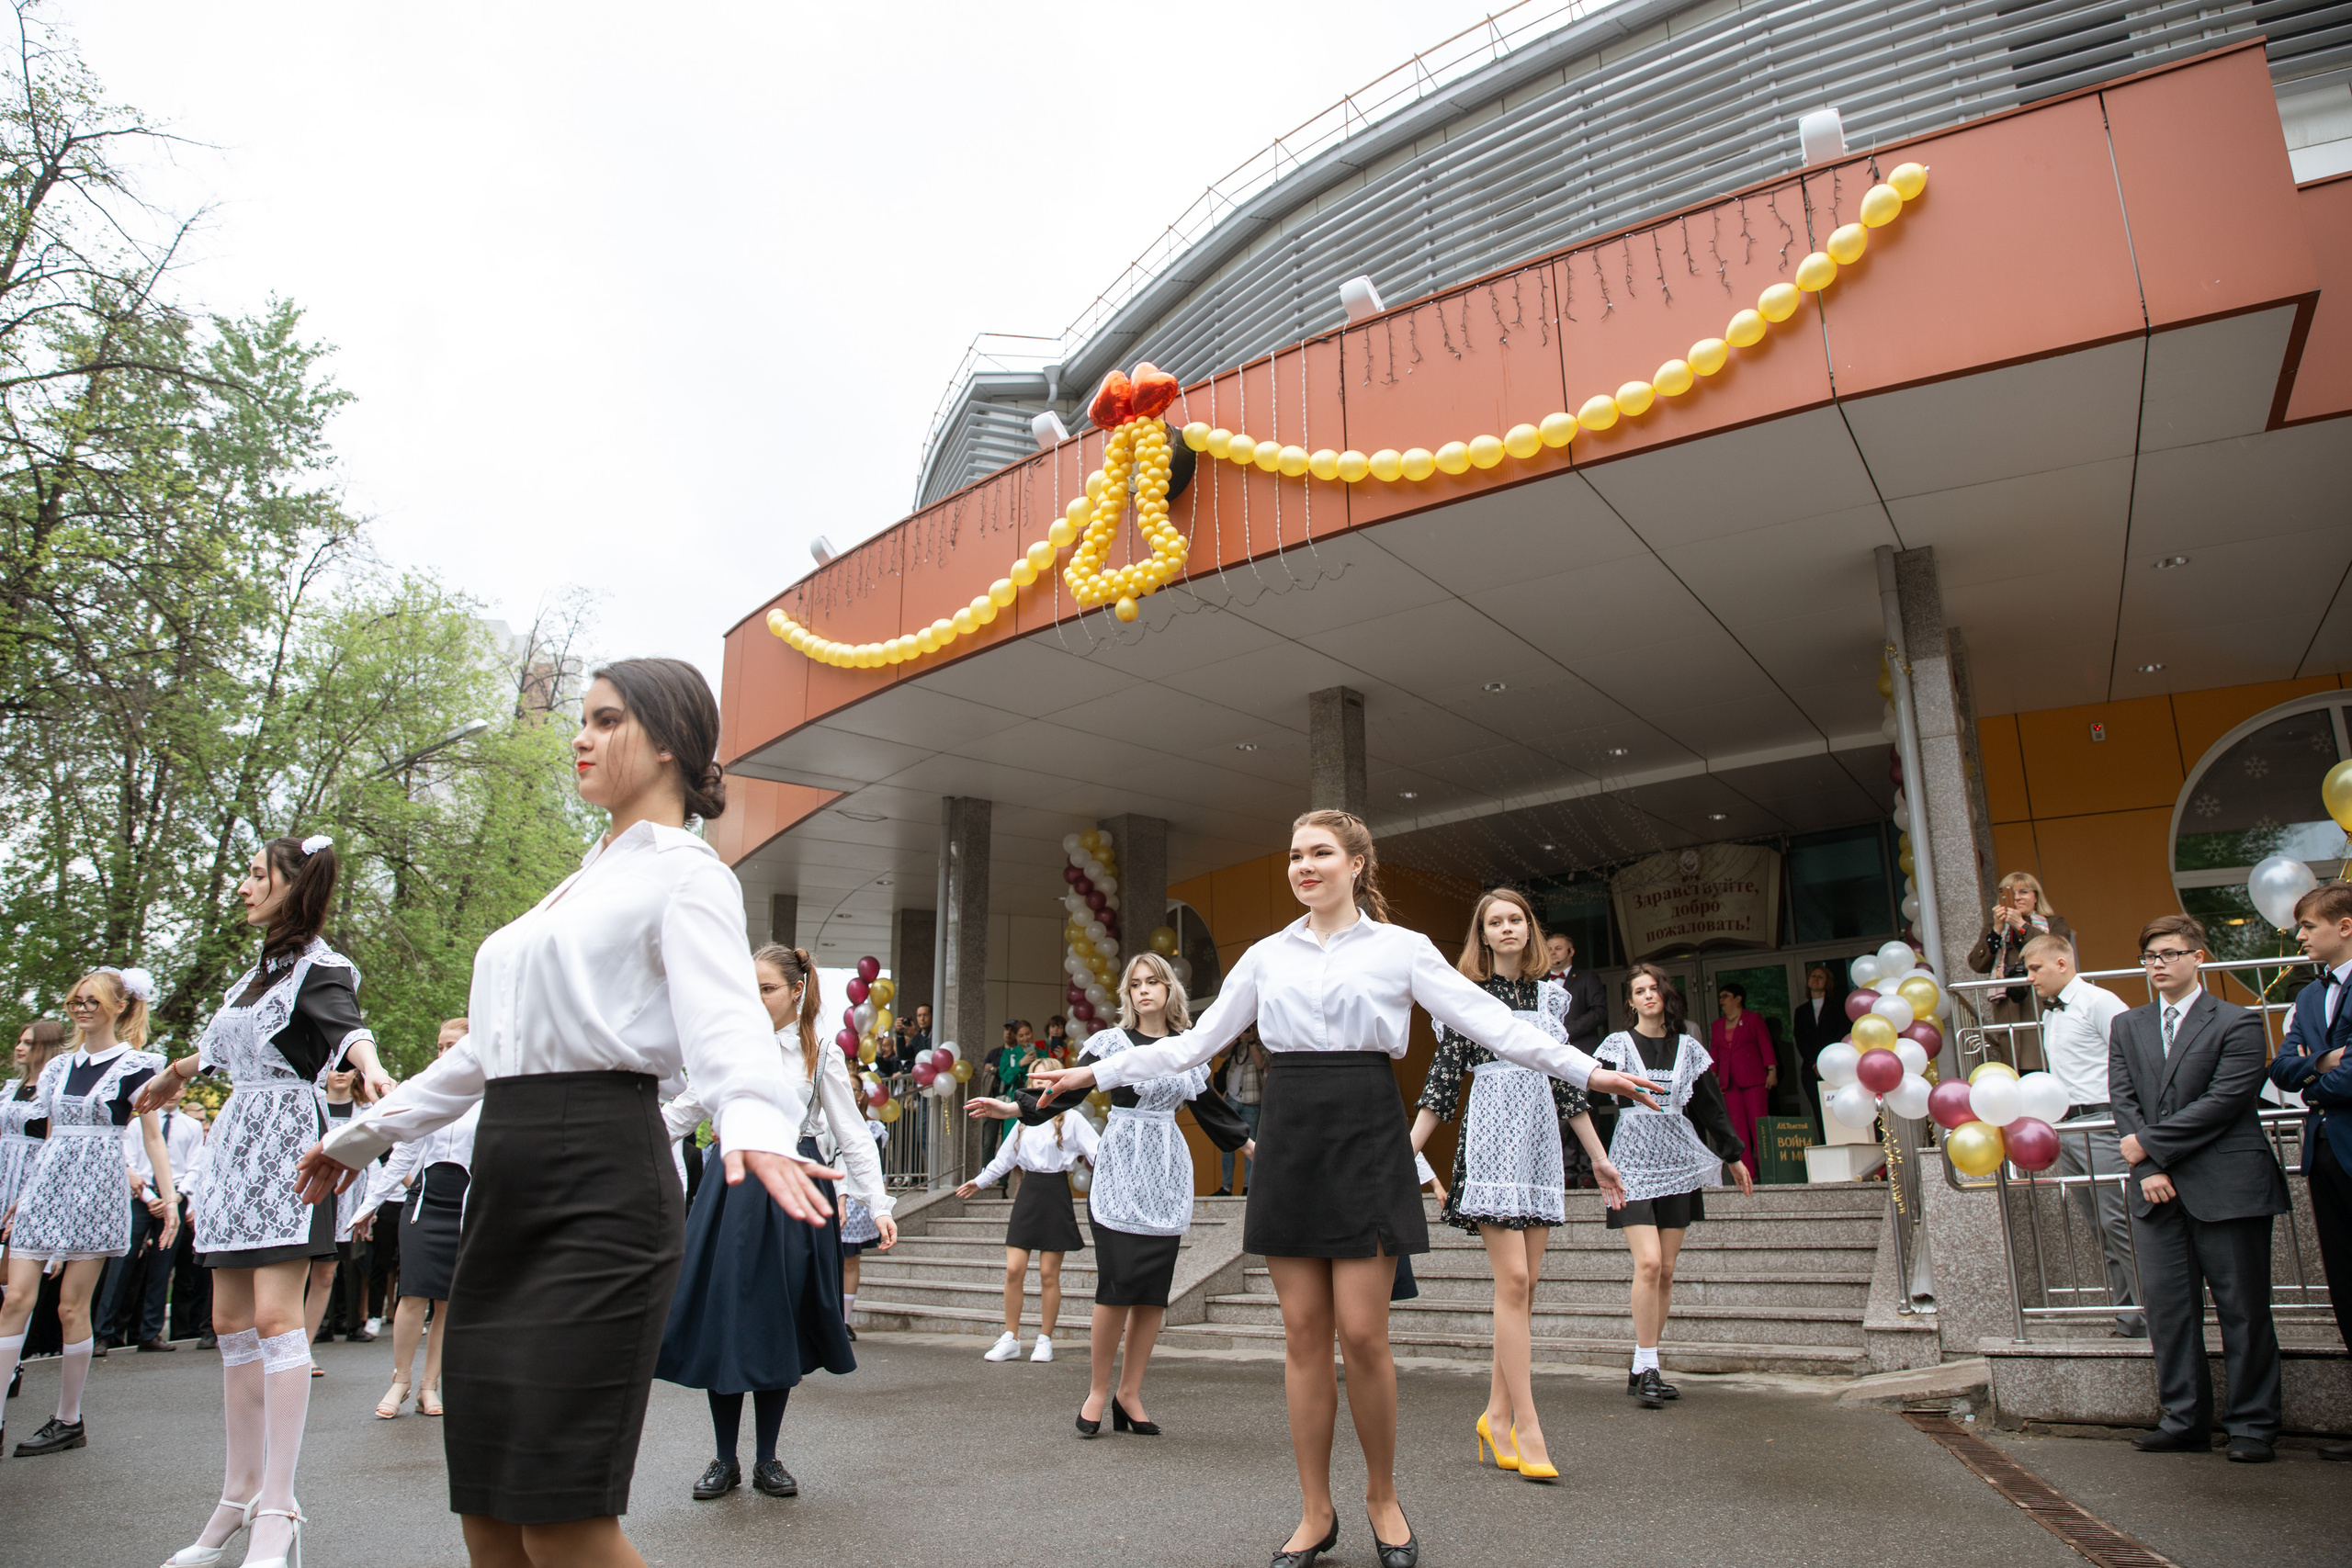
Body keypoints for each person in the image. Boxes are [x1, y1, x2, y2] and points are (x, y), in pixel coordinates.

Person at [301, 658, 833, 1568]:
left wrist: (754, 1127)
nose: (580, 738)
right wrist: (360, 1137)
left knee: (557, 1509)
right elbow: (483, 1051)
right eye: (580, 720)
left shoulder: (686, 875)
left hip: (600, 1182)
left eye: (605, 720)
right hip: (503, 1186)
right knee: (488, 1504)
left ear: (667, 742)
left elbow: (729, 1030)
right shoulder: (576, 883)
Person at [1031, 811, 1662, 1567]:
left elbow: (1493, 1024)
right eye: (1295, 853)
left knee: (1364, 1335)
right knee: (1302, 1336)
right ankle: (1314, 1511)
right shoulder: (1266, 956)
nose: (1303, 865)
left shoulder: (1403, 949)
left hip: (1367, 1127)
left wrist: (1587, 1071)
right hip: (1293, 1132)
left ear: (1357, 863)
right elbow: (1194, 1044)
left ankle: (1383, 1499)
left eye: (1320, 852)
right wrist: (1093, 1073)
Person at [134, 835, 392, 1568]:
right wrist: (175, 1074)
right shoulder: (255, 973)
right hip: (233, 1154)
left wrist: (369, 1069)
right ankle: (237, 1494)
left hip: (287, 1150)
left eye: (257, 875)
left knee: (280, 1319)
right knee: (228, 1320)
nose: (245, 887)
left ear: (293, 884)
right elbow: (223, 1048)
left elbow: (349, 1029)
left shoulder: (321, 966)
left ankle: (278, 1507)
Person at [658, 944, 897, 1502]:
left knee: (776, 1320)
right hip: (733, 1191)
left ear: (796, 991)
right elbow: (682, 1112)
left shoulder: (821, 1056)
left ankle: (767, 1458)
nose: (755, 997)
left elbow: (853, 1135)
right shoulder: (727, 1048)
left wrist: (879, 1205)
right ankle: (724, 1457)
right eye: (750, 987)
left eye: (766, 987)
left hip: (796, 1193)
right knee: (727, 1320)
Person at [986, 951, 1251, 1432]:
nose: (1144, 990)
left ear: (1170, 989)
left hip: (1167, 1171)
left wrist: (1254, 1149)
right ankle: (1097, 1391)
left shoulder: (1186, 1048)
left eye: (1153, 981)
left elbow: (1212, 1110)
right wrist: (1011, 1108)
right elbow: (1064, 1093)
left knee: (1152, 1293)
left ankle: (1129, 1396)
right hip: (1120, 1167)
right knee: (1116, 1286)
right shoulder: (1110, 1042)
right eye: (1135, 984)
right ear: (1128, 994)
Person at [1408, 888, 1622, 1483]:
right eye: (1494, 921)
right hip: (1492, 1136)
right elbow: (1444, 1077)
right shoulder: (1468, 997)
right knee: (1515, 1281)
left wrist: (1600, 1158)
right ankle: (1528, 1425)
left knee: (1525, 1292)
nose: (1506, 929)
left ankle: (1495, 1414)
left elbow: (1568, 1081)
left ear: (1529, 929)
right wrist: (1408, 1153)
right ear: (1481, 934)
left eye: (1515, 920)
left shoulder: (1550, 997)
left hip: (1540, 1142)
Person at [2109, 913, 2291, 1463]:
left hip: (2228, 1184)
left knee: (2244, 1308)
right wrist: (2148, 1168)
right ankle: (2184, 1419)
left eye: (2169, 954)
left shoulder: (2237, 1021)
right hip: (2156, 1187)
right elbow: (2124, 1102)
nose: (2158, 964)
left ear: (2198, 958)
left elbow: (2225, 1100)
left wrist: (2151, 1147)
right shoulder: (2129, 1025)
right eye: (2149, 956)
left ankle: (2253, 1425)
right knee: (2168, 1309)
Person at [0, 967, 177, 1460]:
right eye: (75, 1001)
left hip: (97, 1189)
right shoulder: (56, 1068)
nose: (80, 1009)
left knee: (71, 1308)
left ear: (119, 1006)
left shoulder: (141, 1065)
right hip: (47, 1185)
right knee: (15, 1298)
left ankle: (68, 1418)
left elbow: (152, 1137)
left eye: (91, 1001)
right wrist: (27, 1191)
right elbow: (53, 1133)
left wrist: (171, 1202)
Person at [1594, 964, 1751, 1410]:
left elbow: (1710, 1108)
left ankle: (1645, 1365)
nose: (1647, 996)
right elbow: (1579, 1095)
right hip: (1632, 1164)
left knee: (1665, 1269)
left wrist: (1733, 1155)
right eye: (1638, 991)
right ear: (1630, 1001)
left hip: (1680, 1164)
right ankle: (1648, 1365)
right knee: (1647, 1264)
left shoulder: (1689, 1049)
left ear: (1665, 995)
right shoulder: (1616, 1047)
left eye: (1653, 989)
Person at [2018, 933, 2142, 1337]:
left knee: (2119, 1222)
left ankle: (2158, 1314)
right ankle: (2129, 1318)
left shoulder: (2098, 1001)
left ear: (2061, 964)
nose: (2030, 978)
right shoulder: (2050, 1012)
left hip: (2103, 1124)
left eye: (2035, 969)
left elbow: (2134, 1057)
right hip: (2068, 1127)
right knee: (2098, 1226)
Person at [351, 1017, 474, 1419]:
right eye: (440, 1046)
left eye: (453, 1045)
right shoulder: (427, 1090)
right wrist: (370, 1203)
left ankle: (429, 1386)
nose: (443, 1054)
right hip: (426, 1201)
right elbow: (403, 1152)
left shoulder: (491, 1094)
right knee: (413, 1293)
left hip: (469, 1204)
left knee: (448, 1302)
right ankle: (400, 1380)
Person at [2269, 884, 2352, 1462]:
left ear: (2344, 926)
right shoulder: (2306, 996)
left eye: (2307, 926)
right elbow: (2280, 1068)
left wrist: (2314, 1079)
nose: (2299, 936)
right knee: (2346, 1287)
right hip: (2322, 1151)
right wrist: (2322, 1063)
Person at [955, 1100, 1097, 1363]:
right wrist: (980, 1181)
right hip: (1028, 1192)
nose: (1039, 1089)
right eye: (1035, 1080)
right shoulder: (1023, 1120)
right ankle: (1010, 1338)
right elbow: (1004, 1158)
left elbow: (1099, 1152)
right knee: (1014, 1269)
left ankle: (1045, 1340)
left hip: (1056, 1193)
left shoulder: (1072, 1118)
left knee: (1048, 1274)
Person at [98, 1089, 205, 1352]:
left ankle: (150, 1333)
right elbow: (129, 1162)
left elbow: (195, 1166)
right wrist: (149, 1198)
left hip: (175, 1199)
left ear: (183, 1090)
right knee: (121, 1264)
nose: (172, 1093)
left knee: (162, 1268)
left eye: (177, 1088)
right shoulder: (139, 1122)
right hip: (141, 1199)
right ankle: (102, 1334)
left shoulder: (191, 1127)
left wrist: (177, 1197)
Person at [1970, 872, 2073, 1071]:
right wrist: (1998, 930)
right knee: (2016, 1063)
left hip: (2044, 1000)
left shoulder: (2054, 923)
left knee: (2049, 1058)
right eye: (2010, 893)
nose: (2017, 898)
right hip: (2011, 1007)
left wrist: (2021, 925)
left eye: (2023, 892)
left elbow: (2058, 949)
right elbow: (1977, 964)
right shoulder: (1994, 927)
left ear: (2036, 897)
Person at [1544, 933, 1609, 1186]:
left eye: (1558, 948)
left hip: (1582, 1051)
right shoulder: (1539, 982)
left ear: (1571, 952)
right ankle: (1569, 1170)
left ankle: (1589, 1170)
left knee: (1585, 1110)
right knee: (1561, 1109)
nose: (1553, 953)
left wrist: (1565, 1031)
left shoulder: (1587, 978)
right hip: (1550, 1056)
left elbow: (1599, 1012)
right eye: (1549, 949)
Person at [1708, 981, 1774, 1179]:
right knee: (1738, 1131)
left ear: (1738, 998)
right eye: (1720, 997)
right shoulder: (1717, 1025)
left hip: (1754, 1081)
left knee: (1759, 1127)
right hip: (1730, 1085)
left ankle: (1769, 1172)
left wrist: (1772, 1070)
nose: (1722, 1000)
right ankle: (1748, 1175)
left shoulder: (1753, 1019)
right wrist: (1711, 1078)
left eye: (1726, 995)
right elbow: (1715, 1053)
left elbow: (1765, 1044)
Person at [835, 1110, 888, 1338]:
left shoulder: (872, 1129)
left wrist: (881, 1205)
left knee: (850, 1260)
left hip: (855, 1200)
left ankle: (844, 1321)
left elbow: (872, 1163)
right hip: (824, 1189)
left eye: (857, 1090)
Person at [1210, 1026, 1264, 1195]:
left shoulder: (1262, 1043)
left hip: (1252, 1100)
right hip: (1231, 1099)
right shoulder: (1237, 1044)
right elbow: (1221, 1053)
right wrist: (1237, 1035)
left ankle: (1248, 1187)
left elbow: (1261, 1064)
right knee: (1227, 1144)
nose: (1248, 1031)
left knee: (1251, 1145)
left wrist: (1253, 1041)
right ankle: (1226, 1187)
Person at [1789, 965, 1843, 1130]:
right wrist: (1814, 1062)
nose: (1816, 979)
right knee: (1819, 1111)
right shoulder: (1801, 1011)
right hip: (1811, 1070)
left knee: (1838, 1108)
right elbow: (1801, 1039)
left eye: (1820, 977)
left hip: (1835, 1067)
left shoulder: (1837, 1008)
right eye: (1813, 976)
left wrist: (1827, 1062)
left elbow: (1839, 1035)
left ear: (1827, 982)